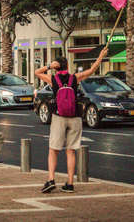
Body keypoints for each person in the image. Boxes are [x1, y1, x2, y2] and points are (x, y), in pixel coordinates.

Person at [34, 47, 108, 193]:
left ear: (56, 67)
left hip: (59, 117)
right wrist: (101, 55)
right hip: (75, 118)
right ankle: (70, 183)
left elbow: (37, 72)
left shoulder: (53, 79)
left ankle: (51, 179)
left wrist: (49, 66)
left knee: (53, 150)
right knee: (70, 151)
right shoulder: (74, 78)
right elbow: (92, 70)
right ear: (67, 66)